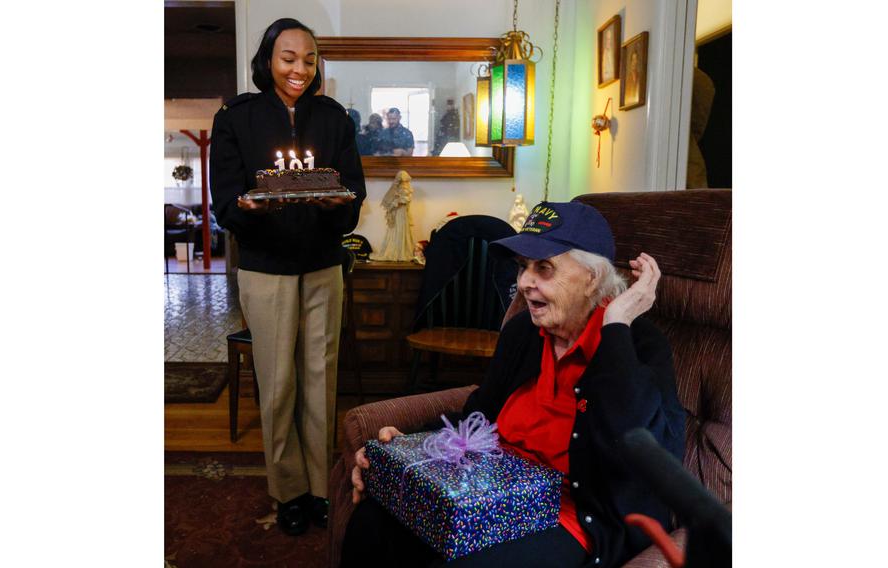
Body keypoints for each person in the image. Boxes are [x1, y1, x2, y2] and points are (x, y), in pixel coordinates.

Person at [341, 201, 685, 567]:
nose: (523, 282)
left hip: (573, 517)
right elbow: (481, 414)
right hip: (496, 494)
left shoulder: (637, 344)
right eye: (523, 267)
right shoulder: (524, 332)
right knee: (372, 520)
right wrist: (410, 448)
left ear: (592, 278)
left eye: (544, 268)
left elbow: (648, 457)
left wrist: (616, 324)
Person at [209, 17, 366, 537]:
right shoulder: (238, 117)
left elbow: (353, 194)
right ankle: (288, 490)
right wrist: (250, 206)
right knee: (277, 385)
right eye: (288, 58)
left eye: (308, 59)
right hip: (266, 269)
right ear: (268, 61)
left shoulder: (334, 118)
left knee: (320, 382)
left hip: (323, 265)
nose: (300, 69)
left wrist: (335, 203)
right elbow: (226, 200)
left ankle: (321, 488)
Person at [371, 170, 415, 261]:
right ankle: (397, 251)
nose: (405, 183)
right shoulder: (397, 190)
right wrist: (397, 201)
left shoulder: (405, 189)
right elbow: (393, 202)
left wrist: (398, 201)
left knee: (402, 230)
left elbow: (405, 200)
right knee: (397, 230)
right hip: (398, 213)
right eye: (403, 181)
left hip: (403, 213)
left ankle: (401, 251)